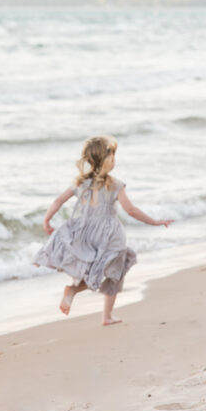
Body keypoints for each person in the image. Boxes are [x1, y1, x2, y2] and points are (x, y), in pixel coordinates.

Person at [33, 136, 172, 326]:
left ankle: (74, 291)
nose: (115, 161)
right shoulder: (115, 185)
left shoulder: (80, 183)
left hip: (85, 233)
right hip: (109, 236)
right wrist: (154, 221)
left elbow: (58, 201)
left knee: (91, 270)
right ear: (106, 161)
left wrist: (46, 219)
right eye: (113, 158)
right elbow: (131, 210)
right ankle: (105, 315)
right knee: (115, 271)